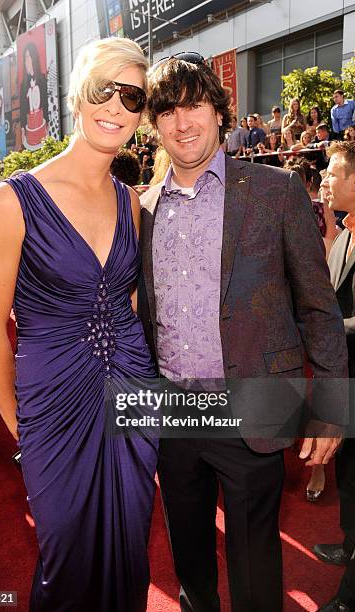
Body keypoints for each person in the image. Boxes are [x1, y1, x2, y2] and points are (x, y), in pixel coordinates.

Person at [139, 52, 347, 612]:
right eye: (168, 112)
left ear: (219, 109)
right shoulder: (143, 210)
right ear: (154, 125)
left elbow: (319, 307)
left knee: (256, 571)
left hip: (256, 402)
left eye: (195, 106)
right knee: (190, 562)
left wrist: (330, 406)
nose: (183, 123)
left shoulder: (275, 191)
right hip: (173, 412)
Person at [0, 37, 158, 612]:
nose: (115, 106)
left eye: (132, 97)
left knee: (129, 549)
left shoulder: (131, 203)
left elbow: (127, 306)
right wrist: (20, 427)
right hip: (52, 412)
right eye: (104, 89)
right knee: (66, 560)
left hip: (132, 396)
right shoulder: (15, 199)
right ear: (80, 94)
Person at [315, 141, 355, 612]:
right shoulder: (343, 233)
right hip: (346, 380)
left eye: (335, 171)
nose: (325, 179)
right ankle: (348, 544)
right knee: (350, 473)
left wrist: (316, 327)